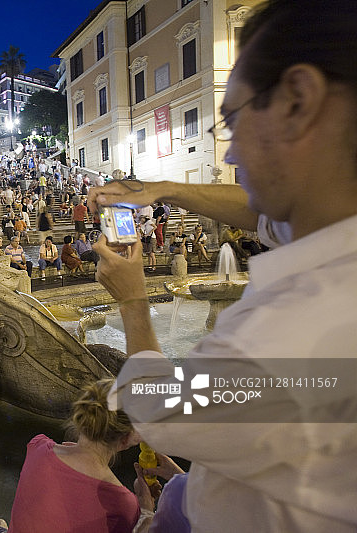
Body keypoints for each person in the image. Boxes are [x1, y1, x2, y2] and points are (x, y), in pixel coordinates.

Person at [90, 2, 357, 530]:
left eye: (233, 119)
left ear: (298, 101)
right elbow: (259, 213)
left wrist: (133, 301)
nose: (230, 154)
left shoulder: (298, 331)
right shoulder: (331, 229)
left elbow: (162, 410)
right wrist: (164, 189)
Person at [6, 380, 143, 533]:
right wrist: (146, 509)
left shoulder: (38, 446)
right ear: (125, 439)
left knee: (1, 524)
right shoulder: (124, 505)